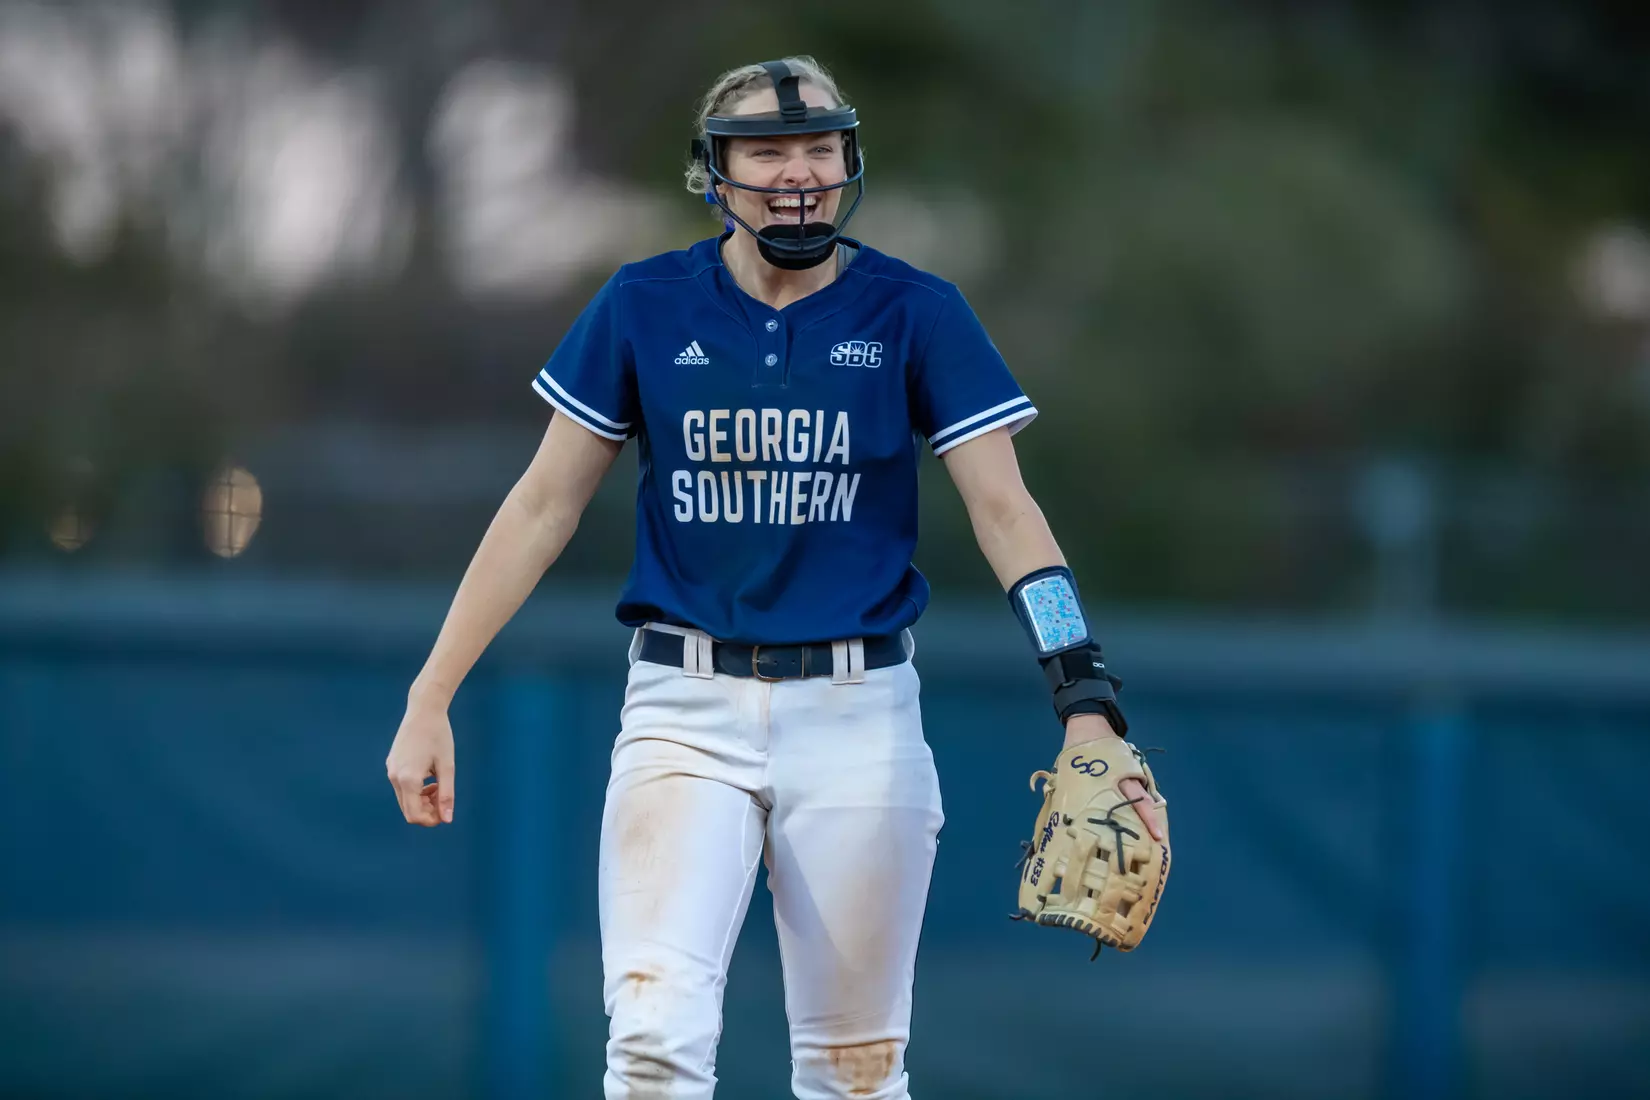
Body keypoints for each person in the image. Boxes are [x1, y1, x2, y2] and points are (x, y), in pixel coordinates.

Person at [384, 56, 1165, 1100]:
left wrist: (1086, 693)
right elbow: (541, 504)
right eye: (767, 149)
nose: (798, 171)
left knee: (855, 1073)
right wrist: (430, 691)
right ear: (714, 174)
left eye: (819, 146)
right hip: (682, 701)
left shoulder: (913, 310)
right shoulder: (645, 303)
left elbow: (1006, 509)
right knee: (653, 1047)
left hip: (858, 712)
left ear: (849, 158)